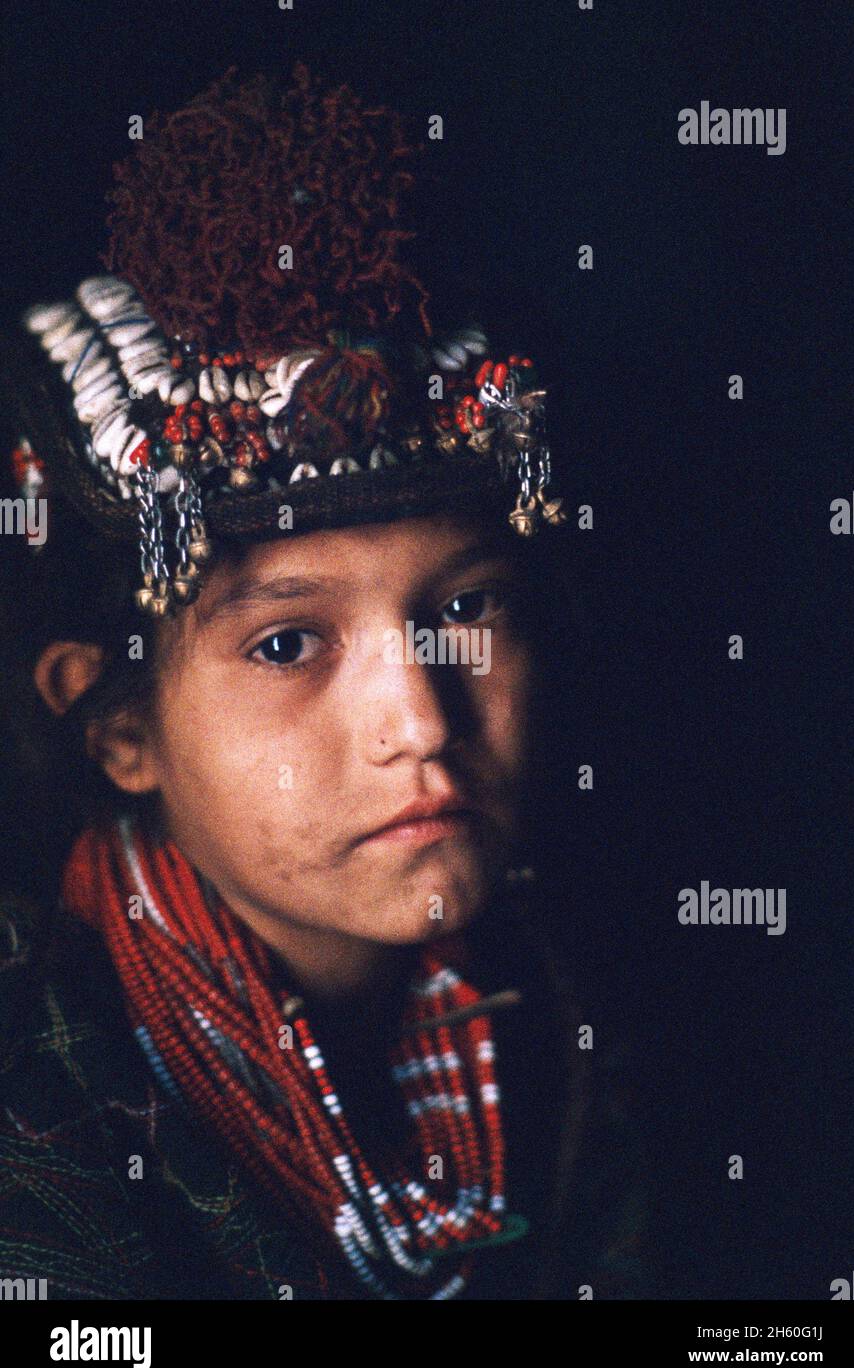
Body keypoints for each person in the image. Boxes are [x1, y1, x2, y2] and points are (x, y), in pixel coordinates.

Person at [0, 66, 651, 1300]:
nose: (417, 722)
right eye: (288, 643)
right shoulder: (40, 1157)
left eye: (463, 610)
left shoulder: (585, 1020)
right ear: (119, 724)